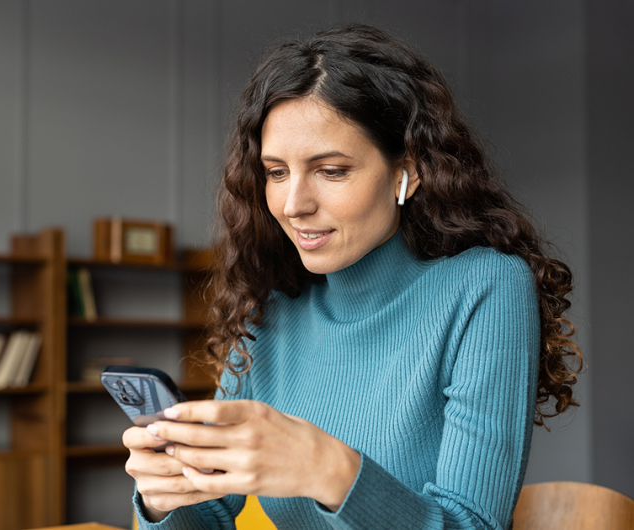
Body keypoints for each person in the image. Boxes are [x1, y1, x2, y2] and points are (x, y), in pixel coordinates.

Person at [123, 24, 582, 529]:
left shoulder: (486, 289)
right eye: (276, 172)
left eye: (332, 170)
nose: (294, 205)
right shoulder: (269, 306)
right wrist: (164, 498)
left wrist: (329, 470)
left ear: (406, 171)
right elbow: (212, 517)